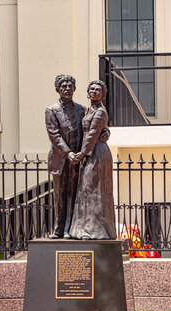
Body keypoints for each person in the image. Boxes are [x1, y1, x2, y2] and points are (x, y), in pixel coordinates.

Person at [45, 75, 110, 239]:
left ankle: (70, 229)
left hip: (79, 160)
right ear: (58, 89)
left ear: (74, 89)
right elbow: (54, 136)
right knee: (59, 195)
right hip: (61, 159)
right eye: (63, 86)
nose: (67, 89)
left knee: (74, 195)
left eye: (70, 86)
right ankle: (59, 229)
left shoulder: (82, 109)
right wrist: (68, 153)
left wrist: (106, 131)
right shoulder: (51, 110)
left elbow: (92, 126)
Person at [69, 80, 116, 240]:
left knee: (94, 191)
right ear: (88, 92)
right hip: (88, 153)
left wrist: (81, 154)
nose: (94, 91)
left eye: (98, 90)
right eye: (92, 89)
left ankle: (96, 231)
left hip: (97, 154)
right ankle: (82, 229)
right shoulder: (88, 110)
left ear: (103, 94)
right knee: (86, 191)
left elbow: (92, 135)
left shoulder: (100, 112)